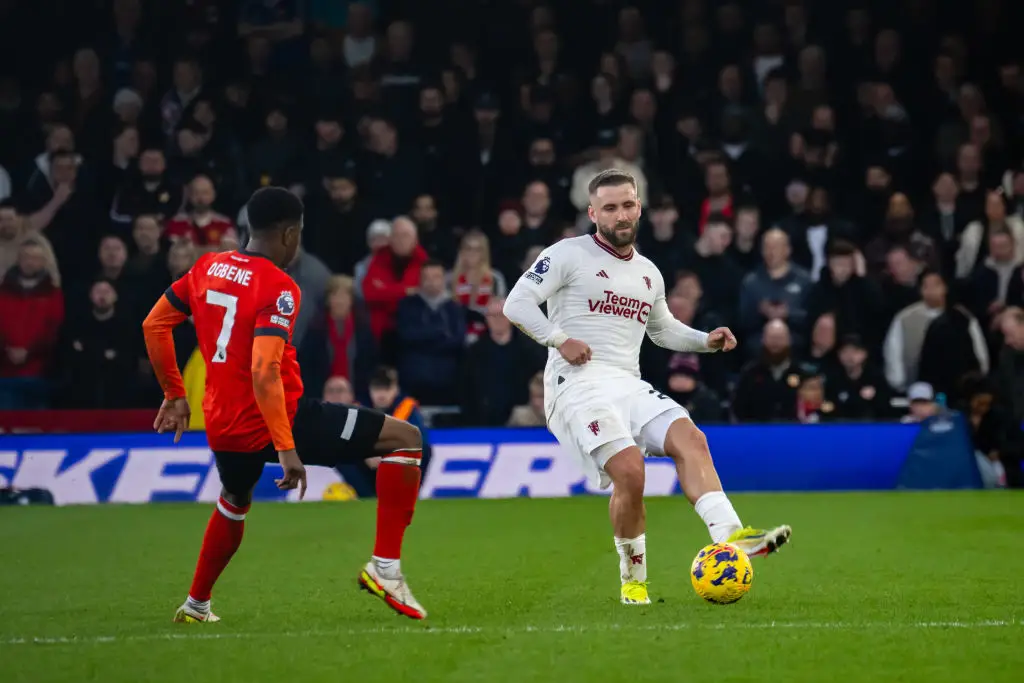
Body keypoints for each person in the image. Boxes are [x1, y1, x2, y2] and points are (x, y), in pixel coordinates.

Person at [503, 169, 791, 606]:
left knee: (691, 437)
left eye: (628, 205)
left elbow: (661, 330)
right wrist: (560, 340)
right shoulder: (566, 254)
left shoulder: (648, 272)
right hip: (576, 385)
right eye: (611, 207)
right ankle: (633, 578)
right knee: (631, 472)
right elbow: (516, 303)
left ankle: (733, 536)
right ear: (593, 212)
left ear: (639, 207)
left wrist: (704, 341)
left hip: (626, 382)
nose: (621, 214)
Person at [141, 187, 428, 623]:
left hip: (223, 425)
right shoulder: (280, 287)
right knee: (405, 439)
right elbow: (263, 372)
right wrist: (285, 445)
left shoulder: (206, 266)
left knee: (234, 499)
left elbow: (155, 323)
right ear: (291, 234)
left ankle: (197, 603)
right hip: (283, 419)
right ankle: (385, 569)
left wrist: (175, 394)